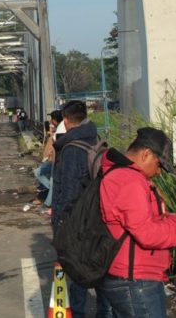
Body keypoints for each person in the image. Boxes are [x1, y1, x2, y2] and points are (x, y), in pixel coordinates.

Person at [98, 127, 176, 317]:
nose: (159, 172)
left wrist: (175, 217)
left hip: (131, 275)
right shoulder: (130, 181)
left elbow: (140, 222)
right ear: (146, 154)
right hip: (135, 280)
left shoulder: (122, 176)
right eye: (159, 165)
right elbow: (147, 233)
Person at [51, 100, 110, 318]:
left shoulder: (71, 147)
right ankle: (104, 313)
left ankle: (77, 313)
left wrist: (59, 226)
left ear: (65, 120)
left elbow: (68, 190)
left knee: (77, 272)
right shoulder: (96, 139)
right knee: (100, 271)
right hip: (99, 217)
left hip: (78, 220)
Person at [33, 110, 63, 208]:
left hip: (55, 159)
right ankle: (50, 194)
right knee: (42, 174)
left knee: (48, 177)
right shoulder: (59, 128)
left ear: (54, 120)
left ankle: (47, 203)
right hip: (53, 159)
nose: (50, 122)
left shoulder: (61, 129)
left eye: (51, 119)